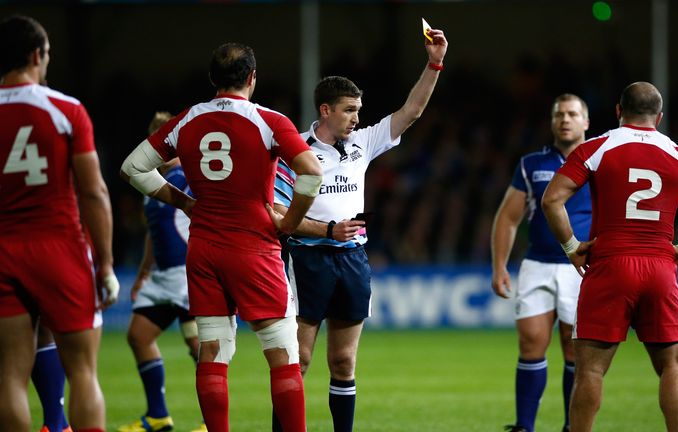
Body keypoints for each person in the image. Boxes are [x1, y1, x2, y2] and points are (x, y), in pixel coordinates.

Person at [120, 42, 322, 432]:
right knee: (282, 354)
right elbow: (312, 172)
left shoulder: (188, 119)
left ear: (213, 78)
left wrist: (184, 202)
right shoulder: (269, 120)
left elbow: (132, 168)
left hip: (204, 249)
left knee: (212, 351)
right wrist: (290, 222)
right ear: (252, 78)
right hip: (254, 247)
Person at [269, 27, 448, 432]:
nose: (356, 118)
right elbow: (278, 213)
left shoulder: (362, 143)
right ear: (325, 110)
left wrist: (434, 64)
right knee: (298, 359)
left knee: (343, 361)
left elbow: (412, 111)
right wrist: (328, 230)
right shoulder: (295, 151)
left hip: (352, 259)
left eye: (359, 110)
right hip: (308, 260)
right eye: (349, 109)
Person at [541, 82, 678, 432]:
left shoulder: (595, 148)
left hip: (609, 265)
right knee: (674, 366)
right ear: (659, 117)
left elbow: (552, 200)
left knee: (590, 370)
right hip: (660, 267)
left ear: (618, 111)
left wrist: (571, 247)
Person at [0, 14, 119, 432]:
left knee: (9, 376)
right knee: (83, 371)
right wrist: (105, 264)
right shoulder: (66, 110)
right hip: (59, 248)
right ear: (37, 55)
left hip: (3, 250)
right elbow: (94, 192)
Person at [491, 94, 592, 432]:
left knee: (575, 350)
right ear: (551, 122)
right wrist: (499, 266)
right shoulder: (532, 164)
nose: (565, 119)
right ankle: (524, 426)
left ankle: (571, 426)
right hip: (537, 264)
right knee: (530, 342)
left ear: (586, 122)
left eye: (572, 114)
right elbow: (508, 218)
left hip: (582, 268)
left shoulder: (599, 161)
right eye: (559, 114)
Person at [118, 112, 205, 432]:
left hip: (185, 274)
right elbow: (152, 234)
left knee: (198, 346)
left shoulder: (189, 177)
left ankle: (211, 422)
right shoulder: (151, 182)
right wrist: (143, 273)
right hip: (161, 277)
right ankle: (157, 416)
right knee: (138, 336)